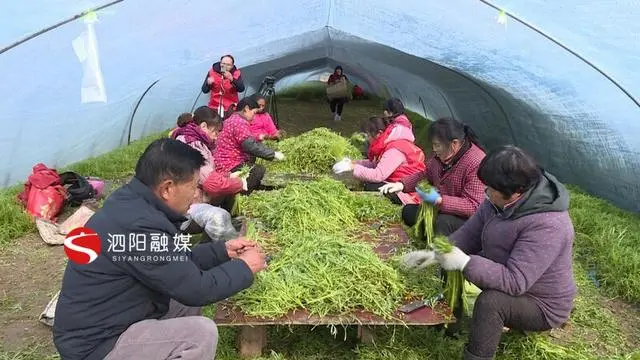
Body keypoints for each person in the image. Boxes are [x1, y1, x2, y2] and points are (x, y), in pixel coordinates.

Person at [53, 138, 267, 360]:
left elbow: (176, 262)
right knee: (200, 334)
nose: (196, 194)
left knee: (183, 302)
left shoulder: (134, 202)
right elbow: (198, 289)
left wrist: (222, 251)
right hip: (97, 345)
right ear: (167, 188)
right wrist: (245, 267)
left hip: (115, 317)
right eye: (193, 187)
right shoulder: (138, 225)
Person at [401, 145, 577, 360]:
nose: (487, 193)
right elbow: (469, 234)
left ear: (516, 191)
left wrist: (465, 262)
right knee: (453, 258)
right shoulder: (498, 201)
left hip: (540, 302)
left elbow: (515, 281)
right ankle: (450, 323)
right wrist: (436, 253)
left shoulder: (549, 224)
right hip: (509, 274)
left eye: (491, 189)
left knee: (491, 302)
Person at [380, 117, 486, 236]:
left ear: (454, 144)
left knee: (441, 223)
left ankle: (446, 248)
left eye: (437, 145)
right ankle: (431, 234)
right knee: (408, 211)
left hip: (465, 221)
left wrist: (439, 200)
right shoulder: (441, 158)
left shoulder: (476, 162)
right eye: (433, 145)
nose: (434, 150)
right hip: (440, 211)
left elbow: (473, 206)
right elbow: (425, 175)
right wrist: (401, 185)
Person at [333, 116, 425, 205]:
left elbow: (378, 175)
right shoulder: (390, 144)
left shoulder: (394, 150)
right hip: (397, 183)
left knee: (371, 185)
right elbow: (376, 164)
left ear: (379, 133)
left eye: (369, 135)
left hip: (408, 193)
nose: (367, 139)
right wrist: (353, 163)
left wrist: (353, 167)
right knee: (367, 181)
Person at [171, 106, 247, 201]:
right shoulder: (194, 145)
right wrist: (239, 183)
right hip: (190, 202)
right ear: (203, 126)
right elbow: (211, 184)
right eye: (215, 132)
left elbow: (203, 175)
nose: (216, 138)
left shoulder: (185, 138)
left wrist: (227, 176)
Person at [213, 96, 285, 192]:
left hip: (222, 163)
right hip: (228, 165)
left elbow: (248, 139)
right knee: (258, 170)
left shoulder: (232, 119)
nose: (254, 117)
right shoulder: (239, 122)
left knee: (252, 163)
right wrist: (273, 154)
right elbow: (250, 146)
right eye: (254, 112)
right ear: (246, 109)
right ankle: (242, 190)